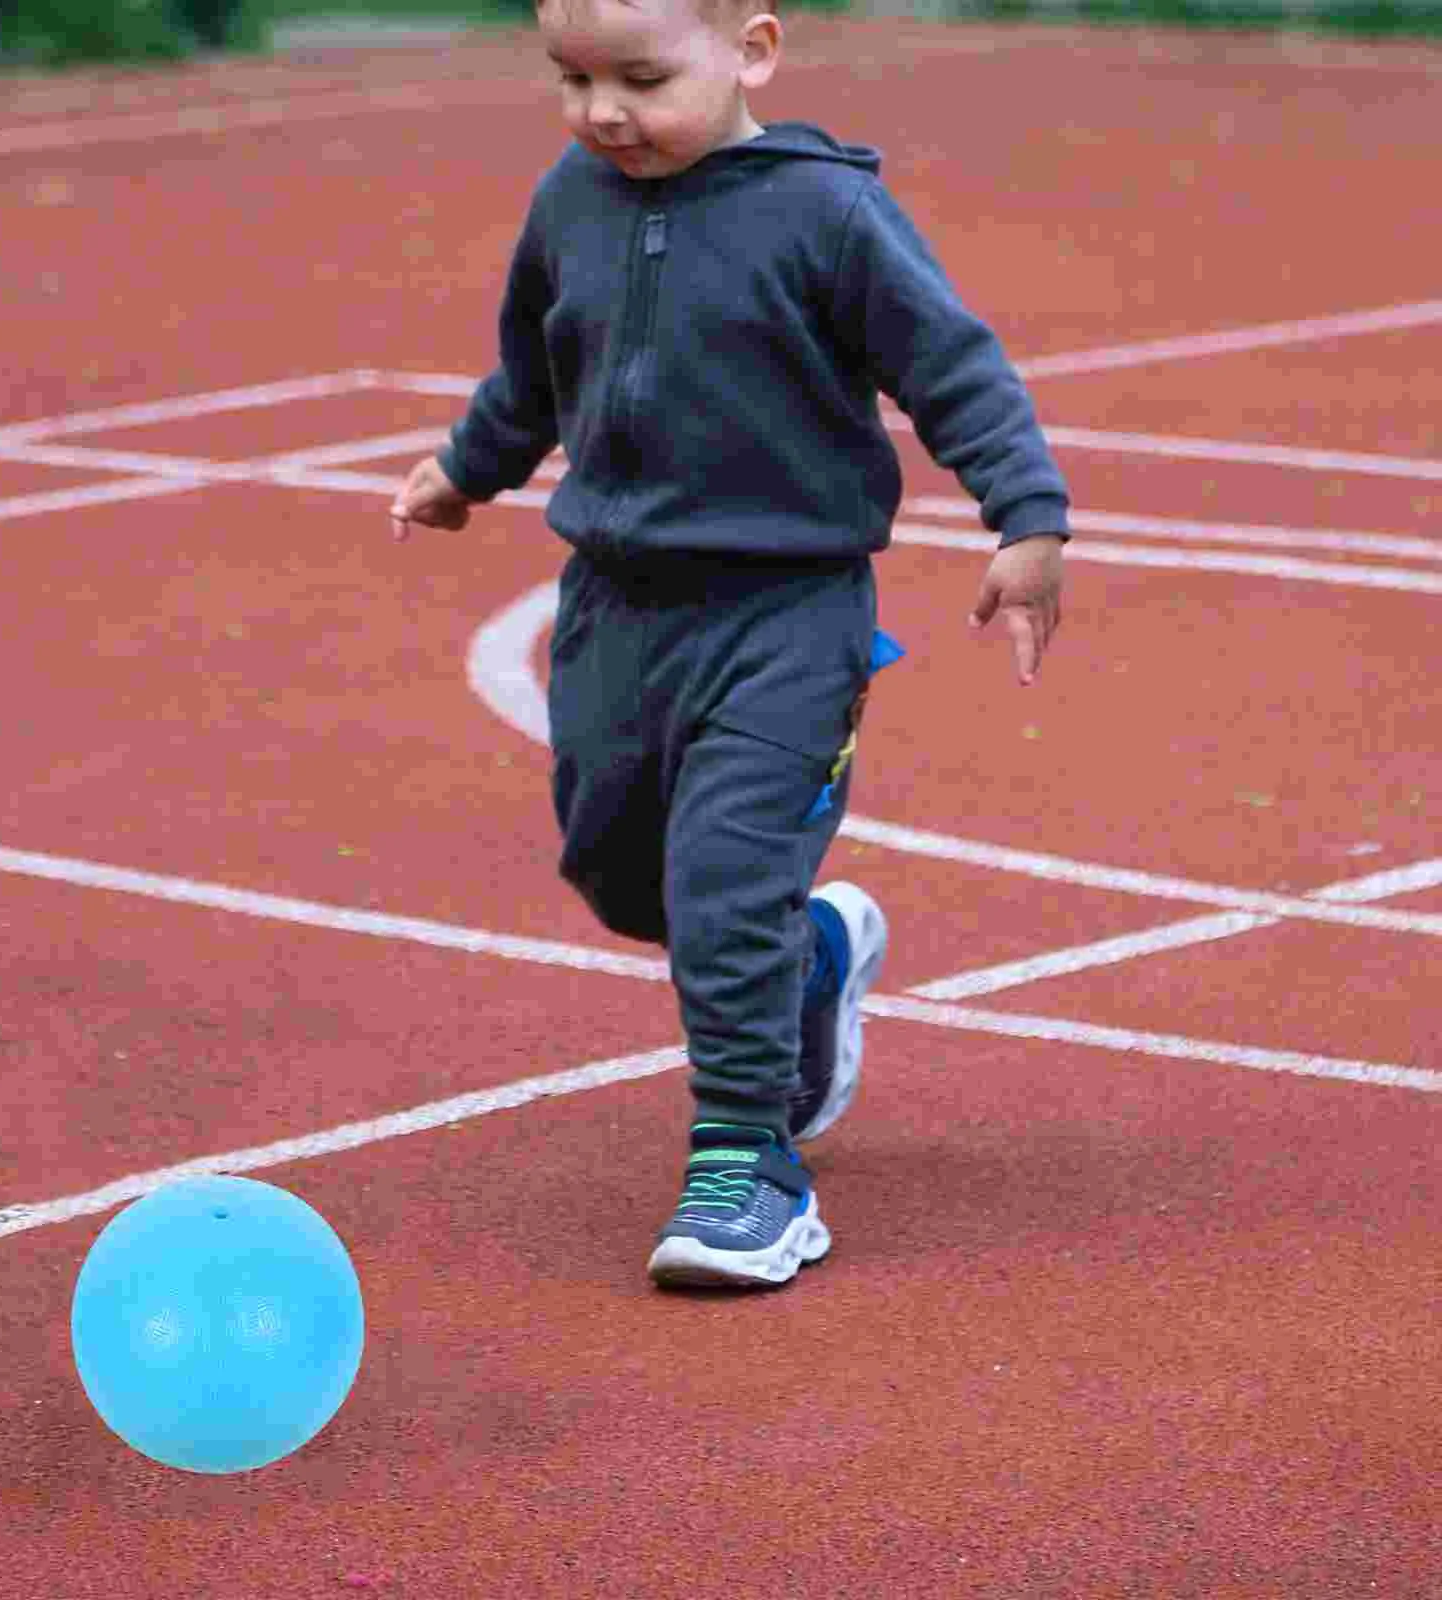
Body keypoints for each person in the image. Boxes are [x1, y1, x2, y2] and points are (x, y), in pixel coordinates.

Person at [390, 0, 1068, 1289]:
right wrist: (465, 471)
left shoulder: (827, 215)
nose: (603, 111)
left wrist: (1026, 519)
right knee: (623, 877)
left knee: (722, 884)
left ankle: (748, 1162)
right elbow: (534, 374)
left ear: (752, 52)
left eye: (641, 78)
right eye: (572, 78)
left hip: (789, 615)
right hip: (616, 610)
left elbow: (956, 370)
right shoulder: (570, 203)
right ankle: (810, 961)